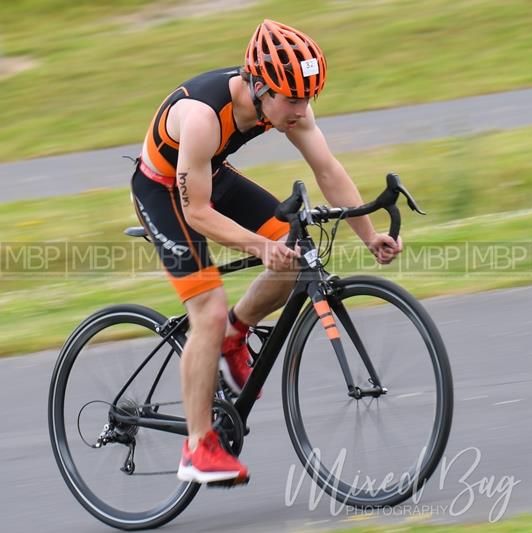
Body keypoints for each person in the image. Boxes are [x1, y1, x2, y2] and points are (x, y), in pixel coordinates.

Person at [130, 18, 403, 485]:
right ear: (259, 87)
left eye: (308, 98)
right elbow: (195, 211)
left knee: (297, 248)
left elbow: (328, 170)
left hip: (209, 173)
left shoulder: (285, 104)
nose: (301, 110)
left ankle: (236, 335)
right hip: (163, 191)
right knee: (208, 310)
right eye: (292, 100)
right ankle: (198, 447)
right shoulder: (200, 117)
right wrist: (259, 245)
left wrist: (368, 232)